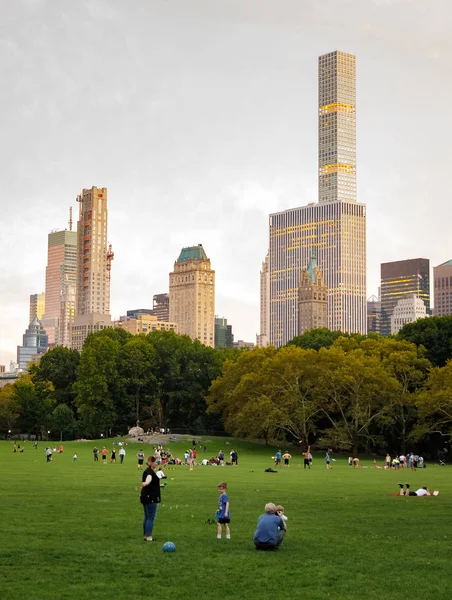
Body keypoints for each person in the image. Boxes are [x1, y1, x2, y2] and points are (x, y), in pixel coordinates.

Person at [140, 456, 161, 542]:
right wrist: (146, 483)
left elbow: (152, 483)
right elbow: (149, 479)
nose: (157, 463)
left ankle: (146, 535)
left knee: (147, 516)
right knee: (150, 517)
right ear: (152, 462)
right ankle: (148, 536)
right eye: (156, 462)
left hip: (145, 496)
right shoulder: (150, 472)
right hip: (151, 497)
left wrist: (160, 486)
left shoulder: (147, 470)